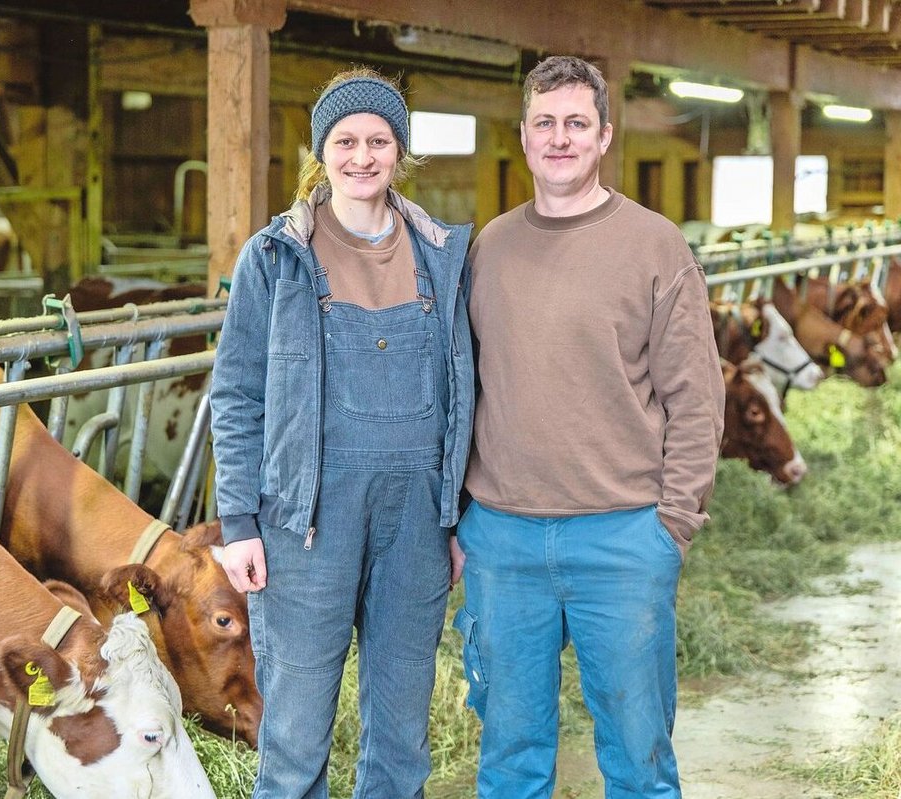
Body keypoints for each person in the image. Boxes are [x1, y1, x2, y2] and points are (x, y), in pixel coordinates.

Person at [455, 55, 725, 799]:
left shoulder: (654, 245)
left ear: (605, 135)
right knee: (510, 756)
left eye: (577, 123)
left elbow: (696, 396)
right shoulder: (490, 248)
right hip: (504, 540)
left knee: (639, 757)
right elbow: (463, 387)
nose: (560, 138)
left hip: (624, 536)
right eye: (546, 123)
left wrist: (673, 522)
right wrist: (461, 519)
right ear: (522, 135)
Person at [209, 67, 476, 799]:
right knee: (294, 736)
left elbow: (465, 392)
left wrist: (460, 513)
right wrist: (239, 523)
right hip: (304, 518)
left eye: (379, 140)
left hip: (418, 520)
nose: (363, 156)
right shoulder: (275, 256)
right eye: (346, 140)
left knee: (402, 734)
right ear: (320, 152)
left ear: (401, 152)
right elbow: (235, 394)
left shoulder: (442, 255)